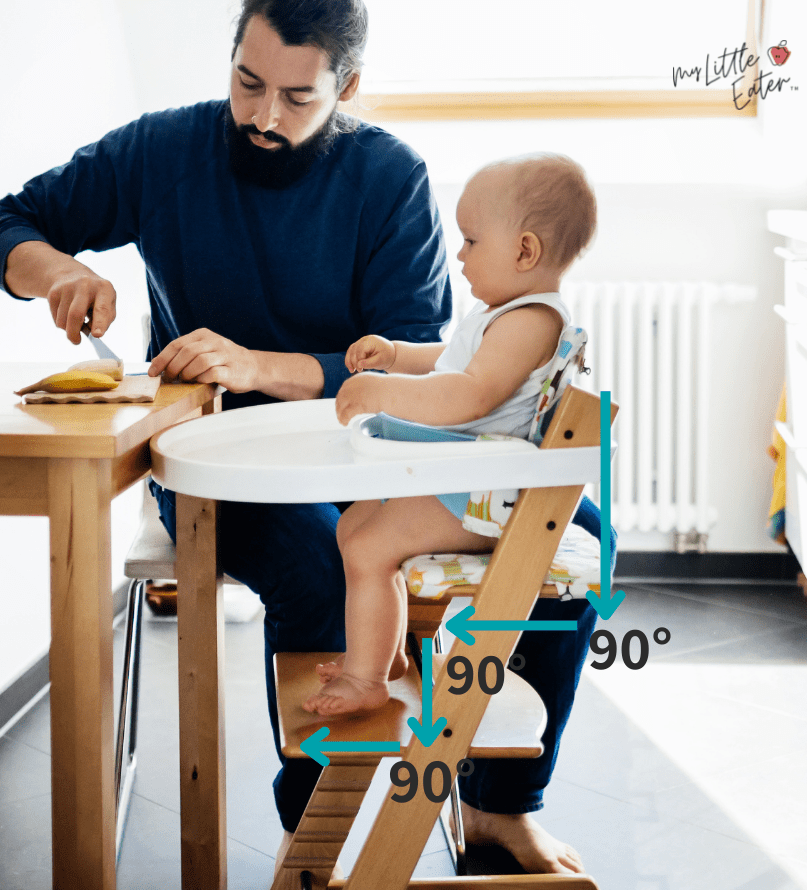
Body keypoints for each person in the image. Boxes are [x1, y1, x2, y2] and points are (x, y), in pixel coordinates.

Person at [0, 0, 614, 878]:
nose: (262, 116)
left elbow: (417, 359)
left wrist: (265, 364)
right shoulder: (162, 150)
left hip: (374, 451)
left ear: (349, 87)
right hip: (217, 463)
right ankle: (314, 843)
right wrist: (55, 268)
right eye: (247, 83)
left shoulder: (388, 176)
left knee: (568, 539)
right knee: (323, 564)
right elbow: (9, 222)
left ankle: (497, 811)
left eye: (296, 97)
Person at [304, 154, 596, 721]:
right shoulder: (505, 317)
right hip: (468, 484)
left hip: (484, 501)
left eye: (469, 240)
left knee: (368, 548)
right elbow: (451, 362)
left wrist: (381, 391)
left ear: (525, 251)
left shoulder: (530, 321)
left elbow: (469, 393)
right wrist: (396, 356)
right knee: (355, 525)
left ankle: (366, 677)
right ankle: (382, 655)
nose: (459, 255)